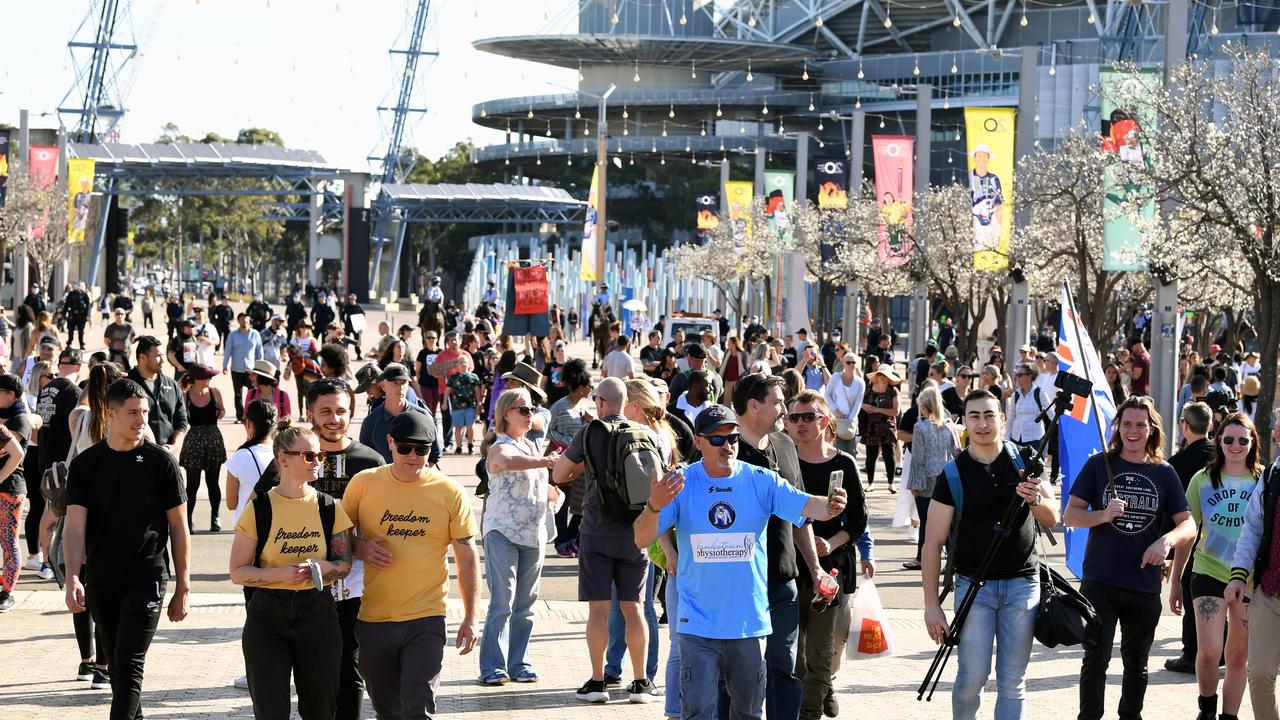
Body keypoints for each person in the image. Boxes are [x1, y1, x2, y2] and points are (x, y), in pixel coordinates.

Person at [634, 403, 848, 720]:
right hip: (698, 624)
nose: (727, 446)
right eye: (717, 440)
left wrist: (831, 505)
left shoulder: (762, 480)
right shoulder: (680, 483)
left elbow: (808, 507)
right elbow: (640, 538)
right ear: (698, 442)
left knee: (747, 713)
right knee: (698, 713)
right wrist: (653, 506)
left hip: (747, 625)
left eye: (732, 438)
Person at [921, 389, 1059, 719]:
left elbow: (1053, 518)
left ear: (1002, 418)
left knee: (1013, 681)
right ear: (963, 422)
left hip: (1023, 585)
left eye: (989, 415)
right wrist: (930, 605)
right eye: (974, 416)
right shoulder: (953, 473)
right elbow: (932, 542)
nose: (983, 423)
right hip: (973, 587)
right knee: (971, 679)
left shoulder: (1027, 459)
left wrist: (1035, 499)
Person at [62, 378, 191, 720]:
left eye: (145, 412)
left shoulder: (161, 463)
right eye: (133, 413)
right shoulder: (86, 464)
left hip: (147, 576)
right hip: (102, 580)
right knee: (118, 668)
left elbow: (179, 527)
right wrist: (73, 576)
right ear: (110, 413)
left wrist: (183, 587)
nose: (141, 420)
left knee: (130, 664)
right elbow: (74, 527)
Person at [1065, 395, 1196, 720]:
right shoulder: (1100, 465)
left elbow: (1189, 524)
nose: (1133, 431)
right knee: (1095, 660)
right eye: (1127, 424)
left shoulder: (1164, 472)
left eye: (1140, 424)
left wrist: (1165, 542)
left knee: (1136, 664)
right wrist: (1102, 515)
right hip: (1100, 581)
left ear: (1152, 429)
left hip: (1143, 584)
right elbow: (1070, 515)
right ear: (1118, 427)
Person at [345, 411, 481, 718]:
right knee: (387, 711)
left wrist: (471, 617)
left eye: (422, 449)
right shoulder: (363, 484)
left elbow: (467, 557)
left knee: (417, 708)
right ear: (390, 443)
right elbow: (338, 538)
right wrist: (360, 546)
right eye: (405, 447)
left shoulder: (449, 492)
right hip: (374, 619)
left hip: (426, 618)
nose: (413, 456)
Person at [230, 423, 354, 719]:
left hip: (317, 613)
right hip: (267, 617)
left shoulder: (328, 507)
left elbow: (344, 564)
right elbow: (237, 572)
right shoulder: (259, 508)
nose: (317, 462)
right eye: (308, 456)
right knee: (271, 710)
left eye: (320, 455)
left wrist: (324, 568)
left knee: (321, 708)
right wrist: (281, 575)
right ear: (283, 459)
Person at [732, 372, 835, 720]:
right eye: (777, 402)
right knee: (738, 674)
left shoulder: (785, 445)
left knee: (786, 668)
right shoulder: (725, 449)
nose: (784, 409)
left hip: (782, 581)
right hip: (738, 582)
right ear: (753, 406)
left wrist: (816, 568)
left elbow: (800, 515)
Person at [552, 377, 659, 704]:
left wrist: (580, 471)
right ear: (625, 402)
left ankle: (598, 683)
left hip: (596, 531)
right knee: (635, 608)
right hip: (636, 533)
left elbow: (558, 474)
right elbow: (657, 483)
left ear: (599, 402)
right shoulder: (647, 434)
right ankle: (641, 683)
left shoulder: (590, 432)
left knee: (598, 611)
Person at [297, 377, 386, 716]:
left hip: (356, 587)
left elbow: (381, 524)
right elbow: (264, 510)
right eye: (325, 412)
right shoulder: (294, 457)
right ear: (310, 413)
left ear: (353, 413)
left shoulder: (371, 462)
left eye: (341, 411)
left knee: (350, 667)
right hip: (304, 582)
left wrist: (360, 547)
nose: (334, 419)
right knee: (311, 670)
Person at [784, 390, 868, 720]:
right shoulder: (781, 460)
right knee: (797, 654)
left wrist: (831, 543)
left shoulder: (843, 463)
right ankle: (817, 694)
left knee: (823, 650)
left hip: (831, 571)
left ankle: (815, 701)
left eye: (809, 417)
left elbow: (860, 520)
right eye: (794, 418)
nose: (801, 424)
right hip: (790, 569)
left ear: (825, 421)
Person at [1171, 412, 1259, 720]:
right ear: (1218, 440)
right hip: (1207, 570)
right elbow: (1187, 532)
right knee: (1209, 652)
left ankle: (1229, 716)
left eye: (1243, 440)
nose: (1236, 445)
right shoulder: (1202, 479)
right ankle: (1206, 708)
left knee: (1237, 656)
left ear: (1252, 443)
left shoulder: (1262, 480)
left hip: (1250, 578)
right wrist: (1175, 580)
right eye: (1229, 439)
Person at [478, 388, 561, 685]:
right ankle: (492, 668)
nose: (529, 414)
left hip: (534, 535)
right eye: (522, 409)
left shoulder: (533, 448)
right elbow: (506, 463)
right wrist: (545, 463)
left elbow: (543, 488)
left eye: (531, 409)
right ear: (505, 414)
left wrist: (556, 492)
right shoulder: (500, 446)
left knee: (525, 607)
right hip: (502, 533)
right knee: (503, 603)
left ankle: (519, 663)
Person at [1225, 410, 1280, 720]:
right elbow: (1252, 529)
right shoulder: (1271, 475)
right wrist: (1238, 576)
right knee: (1259, 675)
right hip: (1270, 590)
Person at [1165, 401, 1216, 674]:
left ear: (1184, 426)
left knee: (1190, 589)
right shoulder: (1224, 454)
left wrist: (1168, 552)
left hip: (1191, 535)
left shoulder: (1177, 463)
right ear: (1210, 426)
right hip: (1225, 535)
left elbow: (1168, 507)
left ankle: (1192, 651)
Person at [904, 385, 960, 571]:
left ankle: (922, 558)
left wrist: (915, 484)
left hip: (927, 480)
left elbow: (918, 458)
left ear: (925, 406)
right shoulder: (949, 425)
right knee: (948, 522)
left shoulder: (920, 427)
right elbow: (956, 451)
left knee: (927, 522)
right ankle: (952, 560)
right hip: (947, 477)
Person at [178, 364, 227, 532]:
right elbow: (180, 417)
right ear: (196, 379)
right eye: (206, 377)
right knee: (192, 484)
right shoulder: (185, 396)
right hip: (194, 442)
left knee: (213, 482)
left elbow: (222, 410)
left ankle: (216, 516)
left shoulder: (215, 392)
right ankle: (188, 519)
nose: (209, 380)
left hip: (213, 440)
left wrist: (221, 412)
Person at [359, 363, 439, 464]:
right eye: (395, 383)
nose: (400, 387)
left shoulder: (423, 416)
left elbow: (435, 454)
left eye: (403, 382)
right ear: (383, 385)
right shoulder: (371, 422)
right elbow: (365, 459)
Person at [0, 375, 31, 613]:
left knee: (10, 543)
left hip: (11, 489)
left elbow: (14, 453)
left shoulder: (20, 420)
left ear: (11, 394)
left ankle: (7, 592)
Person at [127, 336, 188, 455]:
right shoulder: (126, 383)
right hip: (134, 455)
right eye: (158, 356)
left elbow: (181, 421)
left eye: (163, 355)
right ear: (143, 357)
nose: (162, 360)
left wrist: (175, 446)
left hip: (166, 456)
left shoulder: (172, 385)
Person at [225, 398, 276, 527]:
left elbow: (231, 504)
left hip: (247, 528)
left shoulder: (240, 457)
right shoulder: (285, 454)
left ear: (249, 424)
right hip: (278, 526)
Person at [861, 368, 900, 492]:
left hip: (887, 426)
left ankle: (891, 483)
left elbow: (896, 411)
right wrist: (865, 406)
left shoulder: (893, 391)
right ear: (876, 376)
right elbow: (859, 403)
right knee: (870, 456)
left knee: (889, 454)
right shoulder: (869, 390)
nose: (882, 377)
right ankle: (870, 483)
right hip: (871, 426)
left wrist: (877, 409)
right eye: (879, 374)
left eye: (884, 375)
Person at [223, 312, 264, 423]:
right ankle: (240, 416)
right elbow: (228, 350)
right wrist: (224, 365)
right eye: (242, 319)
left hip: (251, 370)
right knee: (238, 394)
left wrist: (260, 367)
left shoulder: (255, 334)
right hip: (236, 369)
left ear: (249, 320)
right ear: (238, 321)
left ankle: (251, 416)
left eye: (246, 319)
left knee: (253, 392)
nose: (244, 321)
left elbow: (259, 352)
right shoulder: (233, 335)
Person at [824, 351, 866, 457]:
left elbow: (858, 403)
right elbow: (827, 395)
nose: (851, 365)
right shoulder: (835, 377)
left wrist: (849, 419)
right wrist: (836, 410)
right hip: (834, 419)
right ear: (843, 363)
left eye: (853, 362)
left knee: (850, 451)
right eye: (848, 362)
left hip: (850, 422)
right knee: (834, 450)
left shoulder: (860, 382)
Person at [286, 319, 320, 421]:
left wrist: (308, 354)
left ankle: (307, 414)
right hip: (298, 367)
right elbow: (289, 353)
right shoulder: (294, 340)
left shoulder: (312, 340)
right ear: (298, 328)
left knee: (309, 391)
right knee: (300, 390)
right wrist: (295, 349)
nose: (304, 329)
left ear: (309, 328)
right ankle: (301, 414)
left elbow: (317, 354)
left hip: (310, 368)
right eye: (302, 326)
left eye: (306, 327)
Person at [447, 363, 483, 455]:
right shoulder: (453, 377)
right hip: (457, 406)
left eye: (465, 362)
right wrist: (444, 402)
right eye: (461, 362)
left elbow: (477, 391)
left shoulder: (473, 377)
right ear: (457, 365)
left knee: (470, 426)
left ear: (468, 364)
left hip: (470, 405)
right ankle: (459, 447)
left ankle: (471, 446)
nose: (463, 364)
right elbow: (447, 390)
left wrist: (479, 404)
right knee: (458, 428)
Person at [1008, 364, 1046, 448]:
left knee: (1034, 461)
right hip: (1016, 437)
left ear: (1029, 376)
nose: (1017, 377)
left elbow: (1052, 415)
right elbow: (1010, 418)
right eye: (1017, 375)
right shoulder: (1016, 394)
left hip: (1035, 438)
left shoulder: (1040, 393)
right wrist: (1007, 438)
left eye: (1020, 375)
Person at [65, 282, 91, 350]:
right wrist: (64, 313)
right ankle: (69, 343)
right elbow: (66, 304)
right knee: (71, 329)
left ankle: (81, 344)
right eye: (78, 285)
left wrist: (87, 315)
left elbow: (88, 305)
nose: (79, 287)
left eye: (80, 285)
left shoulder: (84, 294)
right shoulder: (71, 294)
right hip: (72, 314)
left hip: (81, 315)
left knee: (81, 330)